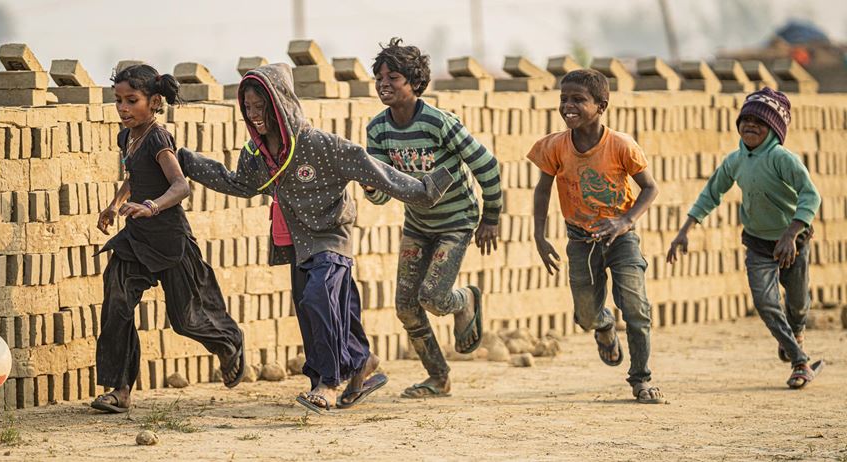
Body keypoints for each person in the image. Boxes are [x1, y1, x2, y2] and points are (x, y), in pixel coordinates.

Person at [178, 63, 455, 413]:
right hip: (295, 242)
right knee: (322, 311)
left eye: (261, 106)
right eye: (248, 108)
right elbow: (239, 184)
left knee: (318, 298)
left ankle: (327, 383)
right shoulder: (258, 154)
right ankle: (361, 361)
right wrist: (186, 160)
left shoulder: (320, 145)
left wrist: (424, 190)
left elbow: (373, 169)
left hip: (331, 237)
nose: (255, 114)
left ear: (280, 104)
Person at [91, 64, 245, 413]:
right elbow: (135, 175)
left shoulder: (159, 137)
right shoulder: (127, 136)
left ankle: (229, 341)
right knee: (117, 303)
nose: (123, 109)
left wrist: (151, 206)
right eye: (118, 101)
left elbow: (180, 185)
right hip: (135, 240)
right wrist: (114, 206)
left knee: (186, 319)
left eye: (132, 101)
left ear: (155, 101)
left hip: (169, 241)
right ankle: (120, 389)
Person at [363, 38, 501, 398]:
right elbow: (380, 193)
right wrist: (368, 184)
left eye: (393, 77)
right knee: (406, 308)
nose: (384, 84)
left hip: (456, 222)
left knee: (433, 297)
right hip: (418, 225)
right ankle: (438, 378)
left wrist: (492, 216)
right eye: (379, 77)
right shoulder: (378, 129)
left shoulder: (440, 123)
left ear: (414, 82)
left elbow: (485, 164)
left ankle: (465, 300)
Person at [667, 88, 824, 389]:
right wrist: (684, 231)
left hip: (794, 241)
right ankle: (799, 360)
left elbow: (810, 195)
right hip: (757, 242)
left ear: (774, 129)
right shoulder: (735, 160)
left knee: (798, 303)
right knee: (765, 302)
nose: (750, 126)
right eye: (745, 120)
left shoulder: (781, 158)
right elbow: (711, 194)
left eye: (759, 122)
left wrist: (792, 233)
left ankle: (797, 331)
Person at [529, 69, 666, 404]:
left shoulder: (620, 145)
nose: (568, 106)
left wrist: (624, 221)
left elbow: (650, 188)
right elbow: (543, 190)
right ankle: (604, 326)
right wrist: (539, 235)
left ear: (601, 105)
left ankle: (641, 379)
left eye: (578, 100)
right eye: (564, 99)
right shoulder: (555, 147)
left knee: (636, 307)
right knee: (586, 315)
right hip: (580, 240)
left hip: (620, 240)